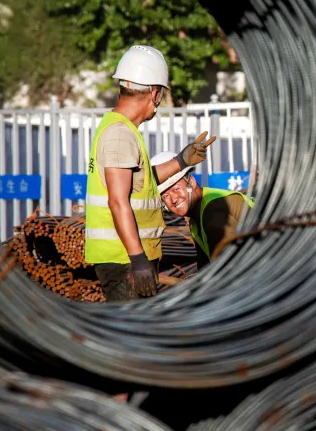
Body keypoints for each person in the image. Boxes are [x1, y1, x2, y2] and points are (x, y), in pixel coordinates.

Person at [84, 45, 216, 302]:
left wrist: (181, 161)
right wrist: (138, 259)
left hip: (126, 257)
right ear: (154, 93)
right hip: (124, 259)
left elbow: (140, 183)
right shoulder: (120, 134)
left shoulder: (121, 129)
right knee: (129, 327)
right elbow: (118, 201)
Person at [152, 151, 255, 270]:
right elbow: (205, 267)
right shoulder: (197, 218)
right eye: (165, 196)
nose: (173, 199)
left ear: (191, 182)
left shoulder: (213, 212)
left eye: (176, 189)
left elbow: (230, 267)